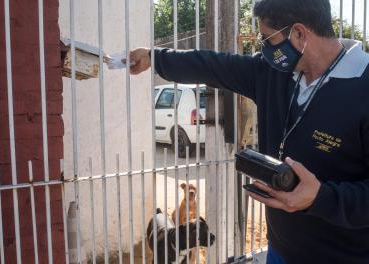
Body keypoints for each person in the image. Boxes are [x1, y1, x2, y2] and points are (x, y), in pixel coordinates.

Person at [130, 0, 369, 263]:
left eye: (268, 39)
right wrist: (155, 58)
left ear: (299, 33)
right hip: (280, 249)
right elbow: (214, 65)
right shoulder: (275, 73)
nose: (264, 48)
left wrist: (321, 198)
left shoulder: (363, 88)